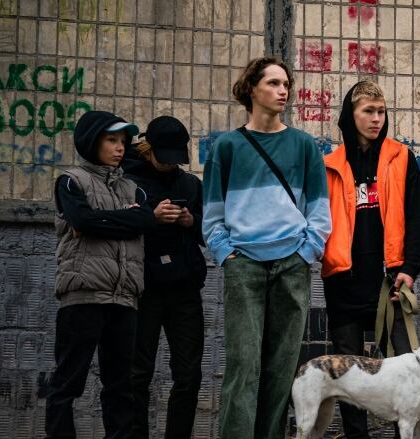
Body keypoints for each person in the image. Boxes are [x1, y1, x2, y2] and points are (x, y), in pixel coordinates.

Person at [201, 57, 331, 439]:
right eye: (274, 83)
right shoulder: (226, 147)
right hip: (244, 266)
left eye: (286, 84)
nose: (283, 91)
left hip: (292, 263)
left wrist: (307, 252)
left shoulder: (305, 145)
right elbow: (212, 214)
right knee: (243, 364)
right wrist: (226, 253)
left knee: (282, 367)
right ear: (251, 89)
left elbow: (319, 211)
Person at [321, 80, 420, 438]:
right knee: (350, 379)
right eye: (368, 111)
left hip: (391, 283)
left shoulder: (400, 156)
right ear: (350, 116)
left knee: (405, 371)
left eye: (381, 111)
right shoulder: (330, 164)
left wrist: (409, 270)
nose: (377, 119)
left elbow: (416, 218)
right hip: (343, 283)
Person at [46, 111, 156, 438]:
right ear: (92, 142)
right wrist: (124, 221)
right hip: (83, 295)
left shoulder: (133, 189)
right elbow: (82, 221)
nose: (120, 148)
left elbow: (146, 222)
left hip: (124, 298)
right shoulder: (71, 181)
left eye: (123, 141)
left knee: (121, 386)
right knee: (68, 382)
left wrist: (103, 222)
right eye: (112, 140)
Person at [123, 116, 207, 439]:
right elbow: (118, 227)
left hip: (185, 290)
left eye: (176, 159)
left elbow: (209, 232)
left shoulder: (189, 185)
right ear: (150, 150)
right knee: (137, 374)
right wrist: (151, 217)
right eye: (165, 158)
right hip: (144, 289)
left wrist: (190, 221)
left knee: (188, 375)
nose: (171, 165)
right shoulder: (128, 181)